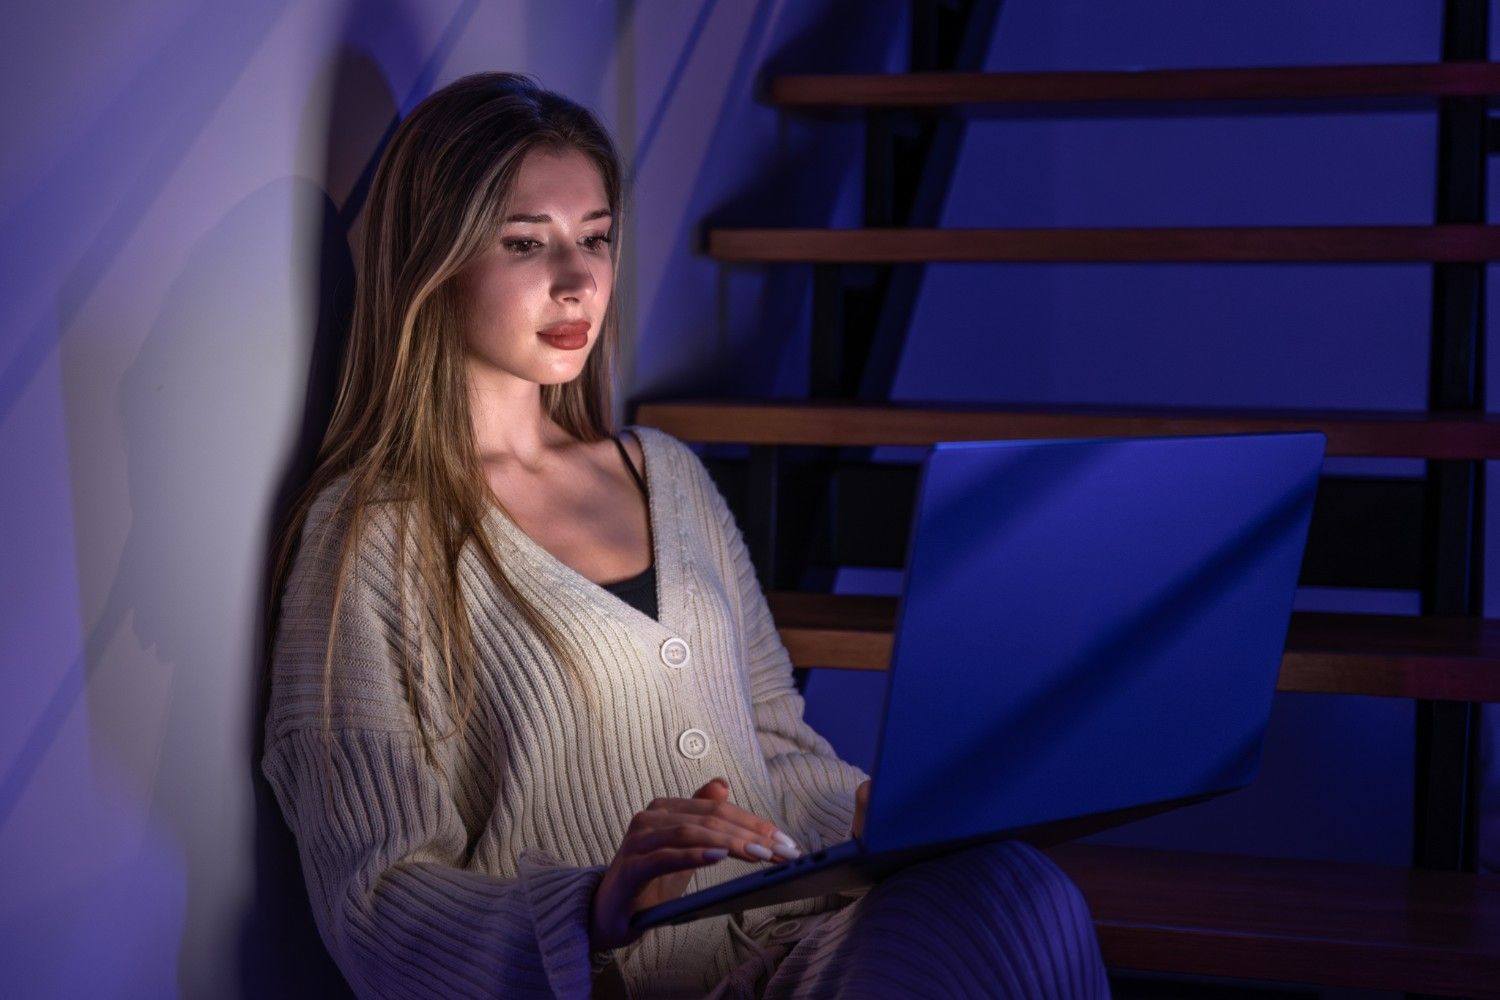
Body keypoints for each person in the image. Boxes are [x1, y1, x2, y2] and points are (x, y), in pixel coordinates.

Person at [259, 70, 1112, 999]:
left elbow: (775, 749)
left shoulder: (662, 471)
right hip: (631, 984)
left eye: (595, 238)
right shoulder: (371, 540)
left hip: (794, 947)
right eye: (524, 243)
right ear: (434, 259)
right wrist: (595, 905)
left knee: (1021, 892)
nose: (578, 279)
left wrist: (879, 809)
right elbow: (373, 901)